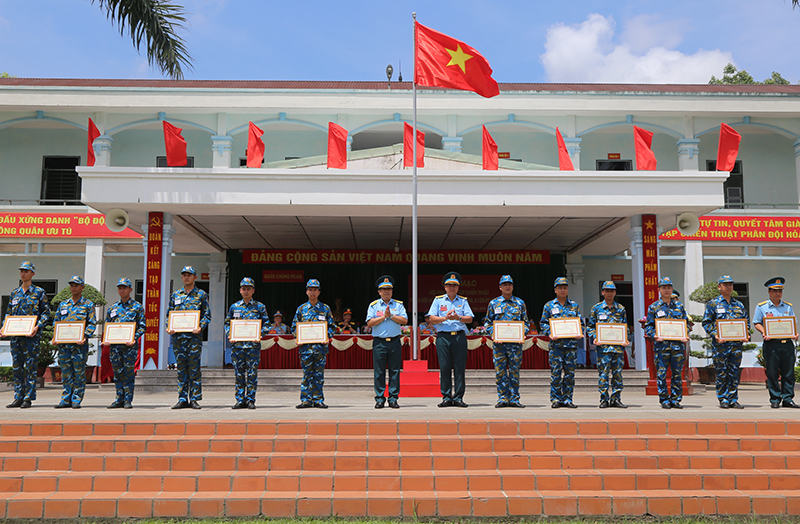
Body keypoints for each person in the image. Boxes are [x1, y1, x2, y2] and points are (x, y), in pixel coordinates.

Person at [2, 261, 49, 409]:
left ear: (32, 274)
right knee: (17, 367)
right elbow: (8, 313)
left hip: (31, 337)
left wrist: (37, 326)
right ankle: (18, 397)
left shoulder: (39, 292)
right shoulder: (15, 293)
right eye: (21, 271)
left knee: (30, 367)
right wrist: (4, 327)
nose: (23, 273)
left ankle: (28, 397)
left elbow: (46, 313)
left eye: (26, 271)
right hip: (16, 336)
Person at [701, 275, 750, 409]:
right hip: (720, 345)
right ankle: (723, 398)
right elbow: (706, 322)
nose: (728, 286)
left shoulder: (739, 304)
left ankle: (733, 399)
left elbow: (746, 323)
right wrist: (715, 334)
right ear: (719, 287)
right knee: (721, 372)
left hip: (736, 345)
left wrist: (746, 334)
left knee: (734, 372)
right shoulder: (713, 303)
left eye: (730, 284)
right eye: (725, 284)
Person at [427, 271, 474, 408]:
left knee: (459, 368)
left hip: (459, 336)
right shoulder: (438, 300)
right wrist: (446, 318)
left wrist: (458, 317)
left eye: (454, 285)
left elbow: (470, 318)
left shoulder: (463, 301)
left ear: (458, 288)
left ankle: (458, 397)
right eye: (449, 285)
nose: (452, 288)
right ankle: (446, 397)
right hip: (443, 337)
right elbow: (432, 318)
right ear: (445, 287)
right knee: (445, 367)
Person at [167, 266, 211, 410]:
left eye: (189, 275)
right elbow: (170, 314)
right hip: (178, 338)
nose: (186, 277)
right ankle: (182, 398)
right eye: (184, 275)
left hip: (194, 339)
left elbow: (206, 315)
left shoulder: (201, 295)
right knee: (181, 368)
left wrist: (201, 327)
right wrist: (169, 327)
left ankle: (194, 398)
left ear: (195, 277)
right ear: (181, 277)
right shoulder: (175, 295)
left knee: (194, 368)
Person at [753, 277, 800, 408]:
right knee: (772, 372)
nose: (777, 293)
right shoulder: (762, 307)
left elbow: (792, 324)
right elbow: (756, 323)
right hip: (771, 344)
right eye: (774, 291)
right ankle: (775, 399)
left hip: (787, 344)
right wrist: (764, 332)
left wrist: (795, 334)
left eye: (780, 290)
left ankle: (788, 398)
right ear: (769, 292)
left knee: (789, 373)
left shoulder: (788, 307)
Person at [51, 276, 96, 409]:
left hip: (79, 346)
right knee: (65, 372)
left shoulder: (88, 305)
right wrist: (55, 337)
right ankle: (65, 398)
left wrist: (85, 336)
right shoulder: (63, 304)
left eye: (76, 285)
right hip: (64, 346)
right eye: (71, 285)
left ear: (82, 287)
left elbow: (92, 323)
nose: (73, 287)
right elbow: (56, 322)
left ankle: (76, 399)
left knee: (79, 373)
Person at [645, 277, 690, 409]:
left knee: (677, 373)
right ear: (659, 290)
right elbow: (649, 326)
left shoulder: (679, 306)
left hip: (677, 346)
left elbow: (685, 324)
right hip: (662, 346)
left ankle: (676, 399)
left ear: (672, 289)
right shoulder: (654, 307)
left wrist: (685, 335)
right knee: (662, 373)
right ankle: (664, 399)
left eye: (669, 287)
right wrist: (654, 335)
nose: (666, 290)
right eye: (664, 287)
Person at [484, 275, 529, 408]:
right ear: (500, 287)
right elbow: (487, 322)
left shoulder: (520, 303)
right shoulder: (494, 303)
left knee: (515, 371)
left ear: (513, 287)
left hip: (515, 345)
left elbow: (526, 322)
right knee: (500, 372)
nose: (507, 286)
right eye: (504, 284)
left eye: (509, 284)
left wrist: (522, 333)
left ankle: (514, 398)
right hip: (499, 345)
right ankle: (502, 398)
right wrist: (493, 333)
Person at [224, 277, 269, 410]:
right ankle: (240, 400)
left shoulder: (259, 307)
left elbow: (267, 324)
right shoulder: (234, 306)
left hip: (253, 347)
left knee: (252, 374)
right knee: (238, 374)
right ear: (240, 290)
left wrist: (260, 335)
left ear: (253, 290)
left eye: (248, 289)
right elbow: (228, 323)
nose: (246, 291)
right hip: (237, 347)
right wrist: (230, 334)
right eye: (244, 289)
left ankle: (250, 400)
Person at [292, 279, 335, 409]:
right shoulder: (301, 309)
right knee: (307, 375)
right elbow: (294, 326)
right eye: (310, 289)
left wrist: (327, 336)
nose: (312, 292)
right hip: (305, 349)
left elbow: (332, 326)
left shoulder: (325, 308)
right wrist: (297, 336)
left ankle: (318, 400)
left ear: (319, 292)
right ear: (306, 291)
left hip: (320, 348)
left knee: (318, 375)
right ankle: (305, 400)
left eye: (315, 289)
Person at [366, 275, 408, 409]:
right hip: (379, 342)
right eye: (383, 289)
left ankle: (393, 398)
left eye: (389, 289)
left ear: (392, 291)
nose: (386, 291)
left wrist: (392, 316)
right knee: (379, 372)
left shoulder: (398, 305)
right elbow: (370, 322)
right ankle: (379, 398)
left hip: (394, 341)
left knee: (394, 370)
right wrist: (384, 317)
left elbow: (404, 321)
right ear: (379, 291)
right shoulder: (374, 305)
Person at [540, 276, 583, 409]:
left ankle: (568, 399)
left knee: (570, 374)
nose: (562, 290)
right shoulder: (549, 306)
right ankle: (555, 399)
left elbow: (579, 323)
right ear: (555, 290)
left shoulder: (574, 305)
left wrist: (579, 332)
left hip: (571, 346)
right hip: (556, 346)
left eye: (565, 287)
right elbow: (543, 323)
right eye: (560, 288)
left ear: (568, 289)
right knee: (556, 374)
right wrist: (550, 333)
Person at [104, 278, 146, 409]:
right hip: (115, 347)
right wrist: (107, 338)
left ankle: (128, 400)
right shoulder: (112, 308)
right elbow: (108, 326)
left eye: (124, 288)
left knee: (128, 373)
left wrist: (134, 337)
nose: (122, 290)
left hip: (129, 347)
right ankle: (118, 399)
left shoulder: (137, 307)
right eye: (120, 288)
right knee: (117, 373)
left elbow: (142, 326)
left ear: (130, 290)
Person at [587, 281, 628, 409]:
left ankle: (616, 399)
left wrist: (625, 339)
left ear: (615, 292)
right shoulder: (596, 308)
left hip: (617, 348)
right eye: (607, 291)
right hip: (603, 348)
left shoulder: (621, 309)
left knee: (617, 374)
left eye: (612, 291)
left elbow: (625, 327)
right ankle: (604, 399)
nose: (609, 293)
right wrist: (595, 337)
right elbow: (590, 327)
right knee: (603, 374)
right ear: (602, 292)